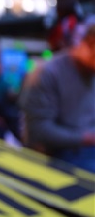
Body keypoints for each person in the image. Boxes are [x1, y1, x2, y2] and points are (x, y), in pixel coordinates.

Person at [20, 17, 95, 172]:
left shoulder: (91, 71)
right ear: (88, 43)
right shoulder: (49, 72)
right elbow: (39, 130)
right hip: (60, 154)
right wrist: (86, 138)